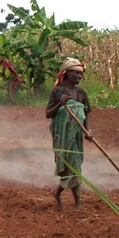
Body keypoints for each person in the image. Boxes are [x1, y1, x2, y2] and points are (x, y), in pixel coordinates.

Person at [46, 57, 93, 209]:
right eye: (77, 73)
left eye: (81, 74)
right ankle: (77, 202)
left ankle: (58, 193)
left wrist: (88, 130)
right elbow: (48, 114)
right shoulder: (58, 92)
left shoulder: (82, 93)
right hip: (62, 135)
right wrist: (61, 103)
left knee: (75, 165)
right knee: (71, 167)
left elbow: (86, 114)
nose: (80, 77)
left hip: (77, 134)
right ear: (67, 73)